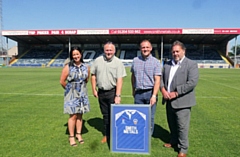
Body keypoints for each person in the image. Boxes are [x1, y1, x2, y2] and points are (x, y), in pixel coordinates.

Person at [160, 40, 199, 157]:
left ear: (183, 51)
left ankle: (183, 149)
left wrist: (176, 93)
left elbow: (192, 82)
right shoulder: (167, 64)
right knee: (171, 124)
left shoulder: (191, 64)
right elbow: (161, 79)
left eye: (177, 51)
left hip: (183, 101)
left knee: (182, 126)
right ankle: (173, 141)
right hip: (168, 100)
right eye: (173, 52)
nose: (175, 54)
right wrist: (163, 90)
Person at [91, 42, 126, 143]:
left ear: (114, 51)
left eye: (111, 50)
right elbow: (93, 75)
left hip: (112, 92)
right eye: (107, 50)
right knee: (105, 115)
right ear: (104, 50)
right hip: (101, 92)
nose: (109, 52)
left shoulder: (118, 62)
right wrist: (94, 89)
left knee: (114, 115)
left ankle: (116, 135)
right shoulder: (97, 60)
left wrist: (118, 95)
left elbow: (120, 79)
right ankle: (107, 135)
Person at [60, 47, 90, 147]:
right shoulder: (68, 67)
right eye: (74, 55)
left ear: (81, 54)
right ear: (71, 56)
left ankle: (79, 134)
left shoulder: (86, 66)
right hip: (72, 94)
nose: (76, 56)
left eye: (77, 54)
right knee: (73, 116)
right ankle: (71, 136)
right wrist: (70, 90)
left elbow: (86, 79)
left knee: (80, 115)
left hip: (82, 93)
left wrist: (81, 89)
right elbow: (62, 81)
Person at [131, 39, 161, 135]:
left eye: (147, 47)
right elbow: (133, 76)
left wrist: (154, 95)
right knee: (138, 116)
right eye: (143, 47)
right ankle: (139, 134)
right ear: (140, 48)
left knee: (150, 116)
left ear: (151, 48)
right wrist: (133, 89)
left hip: (150, 92)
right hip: (138, 93)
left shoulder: (156, 62)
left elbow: (157, 80)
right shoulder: (135, 61)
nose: (145, 49)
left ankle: (148, 136)